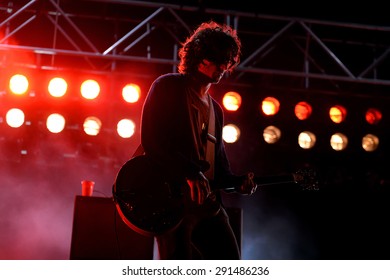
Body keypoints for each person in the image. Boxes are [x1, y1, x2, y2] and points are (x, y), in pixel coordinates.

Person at [140, 20, 258, 260]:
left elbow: (219, 169)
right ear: (199, 56)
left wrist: (237, 183)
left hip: (209, 207)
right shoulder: (168, 87)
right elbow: (153, 141)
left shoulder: (216, 110)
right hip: (173, 203)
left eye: (228, 61)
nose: (224, 66)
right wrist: (190, 172)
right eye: (218, 59)